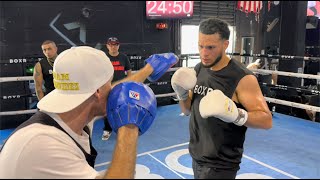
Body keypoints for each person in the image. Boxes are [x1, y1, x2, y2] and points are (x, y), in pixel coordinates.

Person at [0, 46, 178, 178]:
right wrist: (129, 127)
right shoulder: (43, 145)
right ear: (98, 91)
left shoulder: (72, 112)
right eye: (109, 83)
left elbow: (109, 91)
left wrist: (148, 70)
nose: (114, 89)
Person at [171, 18, 272, 179]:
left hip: (221, 164)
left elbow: (267, 120)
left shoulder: (242, 77)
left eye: (211, 47)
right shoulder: (199, 68)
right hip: (197, 156)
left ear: (225, 45)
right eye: (201, 46)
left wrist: (235, 114)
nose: (204, 53)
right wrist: (181, 93)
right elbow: (187, 110)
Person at [102, 37, 133, 140]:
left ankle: (121, 129)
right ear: (107, 46)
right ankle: (107, 130)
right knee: (107, 110)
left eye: (115, 44)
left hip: (121, 88)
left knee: (122, 109)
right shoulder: (104, 58)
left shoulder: (124, 57)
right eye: (111, 44)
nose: (113, 47)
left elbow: (129, 72)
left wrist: (128, 85)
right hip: (107, 88)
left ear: (118, 45)